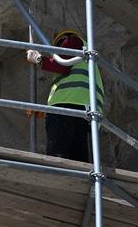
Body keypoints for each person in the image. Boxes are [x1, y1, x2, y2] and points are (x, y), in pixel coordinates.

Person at [26, 29, 104, 163]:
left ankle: (58, 175)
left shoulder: (72, 40)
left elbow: (62, 65)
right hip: (84, 109)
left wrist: (39, 59)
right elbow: (68, 86)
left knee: (57, 153)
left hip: (68, 106)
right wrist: (46, 111)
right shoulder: (87, 59)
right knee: (78, 156)